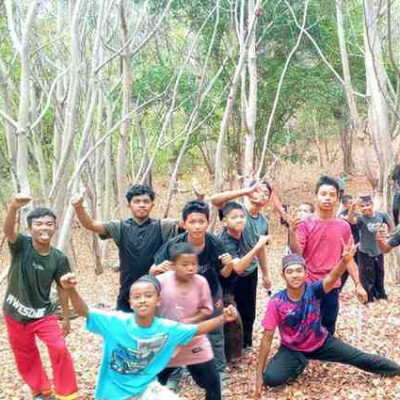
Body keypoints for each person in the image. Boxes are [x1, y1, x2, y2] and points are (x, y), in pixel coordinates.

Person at [60, 273, 238, 400]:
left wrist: (223, 318)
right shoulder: (115, 322)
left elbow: (196, 329)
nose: (143, 300)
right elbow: (84, 311)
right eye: (137, 297)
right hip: (112, 394)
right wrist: (71, 290)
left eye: (148, 295)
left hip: (146, 389)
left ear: (158, 300)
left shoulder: (166, 328)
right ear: (130, 303)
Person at [255, 247, 400, 396]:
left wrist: (344, 261)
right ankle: (301, 361)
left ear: (305, 273)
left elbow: (333, 276)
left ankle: (396, 369)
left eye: (299, 270)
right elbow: (267, 339)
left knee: (359, 357)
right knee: (271, 379)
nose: (295, 275)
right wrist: (259, 375)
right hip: (293, 349)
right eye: (290, 271)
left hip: (321, 342)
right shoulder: (277, 302)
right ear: (283, 275)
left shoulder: (314, 289)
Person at [2, 195, 78, 400]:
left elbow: (63, 287)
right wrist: (13, 207)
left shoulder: (58, 258)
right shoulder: (22, 245)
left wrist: (66, 316)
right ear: (30, 228)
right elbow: (8, 231)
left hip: (43, 314)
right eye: (38, 224)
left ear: (54, 228)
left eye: (49, 224)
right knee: (25, 355)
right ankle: (41, 391)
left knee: (59, 348)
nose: (44, 228)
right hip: (14, 313)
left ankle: (67, 394)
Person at [150, 200, 234, 372]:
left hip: (210, 292)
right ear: (184, 223)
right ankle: (175, 370)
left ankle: (219, 370)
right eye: (192, 222)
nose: (197, 226)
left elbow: (225, 274)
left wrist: (229, 264)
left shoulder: (214, 244)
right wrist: (158, 269)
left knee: (215, 332)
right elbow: (153, 270)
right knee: (176, 330)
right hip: (181, 295)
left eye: (201, 222)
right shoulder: (175, 244)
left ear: (208, 223)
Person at [71, 184, 179, 312]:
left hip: (157, 290)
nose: (142, 205)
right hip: (128, 290)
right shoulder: (120, 227)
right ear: (129, 205)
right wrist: (78, 207)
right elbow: (91, 224)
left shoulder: (163, 226)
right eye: (137, 201)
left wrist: (201, 201)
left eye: (146, 201)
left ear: (152, 205)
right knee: (125, 329)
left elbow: (189, 223)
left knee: (155, 330)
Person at [286, 175, 367, 335]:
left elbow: (348, 259)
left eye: (332, 194)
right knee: (305, 325)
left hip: (332, 284)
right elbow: (297, 254)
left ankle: (325, 354)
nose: (327, 198)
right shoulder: (305, 223)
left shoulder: (343, 226)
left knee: (328, 325)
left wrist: (358, 284)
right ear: (316, 196)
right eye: (323, 194)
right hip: (308, 284)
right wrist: (292, 231)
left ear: (337, 198)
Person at [211, 181, 272, 349]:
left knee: (248, 311)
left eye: (266, 193)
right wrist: (246, 191)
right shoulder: (237, 211)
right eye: (259, 190)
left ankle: (246, 344)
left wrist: (266, 274)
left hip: (250, 270)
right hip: (230, 270)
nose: (262, 194)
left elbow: (261, 250)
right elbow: (215, 200)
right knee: (229, 308)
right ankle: (229, 348)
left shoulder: (263, 222)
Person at [156, 243, 221, 400]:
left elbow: (207, 310)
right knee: (154, 384)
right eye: (185, 264)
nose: (191, 268)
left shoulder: (201, 282)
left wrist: (188, 322)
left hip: (194, 340)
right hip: (166, 342)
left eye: (194, 264)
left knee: (212, 382)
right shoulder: (159, 282)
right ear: (172, 265)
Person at [347, 195, 393, 302]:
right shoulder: (361, 218)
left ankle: (381, 295)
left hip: (378, 250)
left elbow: (391, 226)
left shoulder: (382, 215)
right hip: (365, 252)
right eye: (362, 206)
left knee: (380, 272)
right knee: (368, 276)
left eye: (367, 205)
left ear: (372, 204)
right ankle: (369, 297)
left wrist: (388, 236)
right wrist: (352, 207)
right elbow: (351, 220)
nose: (365, 208)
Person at [338, 194, 360, 289]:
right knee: (344, 270)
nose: (353, 205)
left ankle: (365, 290)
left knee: (361, 269)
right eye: (350, 203)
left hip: (358, 245)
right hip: (345, 247)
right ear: (345, 204)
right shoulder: (341, 216)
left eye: (353, 203)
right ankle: (338, 289)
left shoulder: (358, 215)